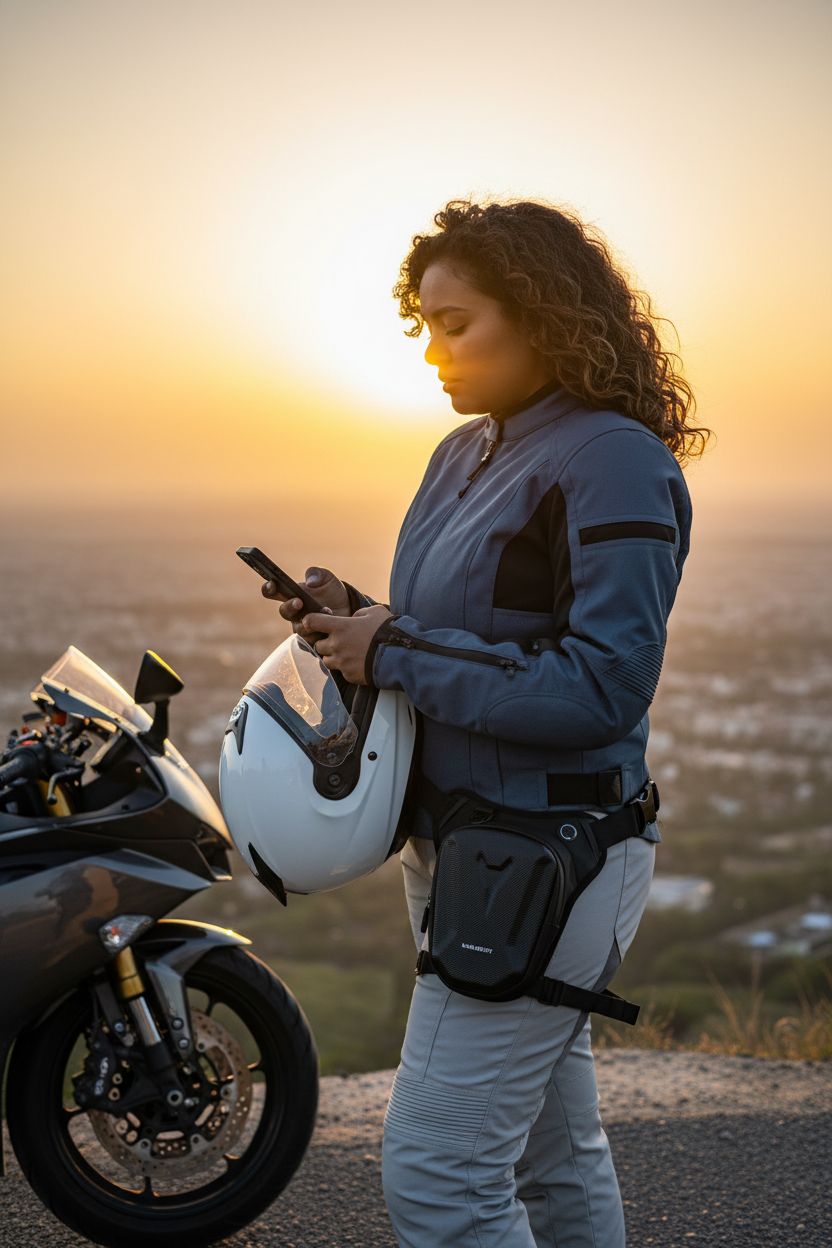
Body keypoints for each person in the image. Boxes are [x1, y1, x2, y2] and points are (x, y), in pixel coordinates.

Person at [262, 199, 709, 1247]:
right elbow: (470, 633)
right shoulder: (461, 452)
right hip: (461, 847)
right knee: (555, 1158)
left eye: (456, 324)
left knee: (439, 1176)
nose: (434, 351)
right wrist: (359, 618)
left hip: (548, 852)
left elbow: (602, 685)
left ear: (541, 312)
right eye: (423, 325)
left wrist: (392, 648)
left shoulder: (613, 459)